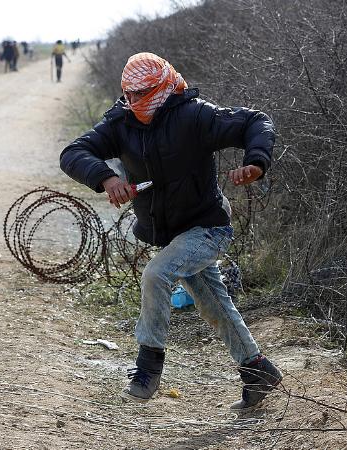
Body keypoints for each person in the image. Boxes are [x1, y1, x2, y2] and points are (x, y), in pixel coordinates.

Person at [60, 52, 281, 410]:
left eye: (141, 94)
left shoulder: (195, 116)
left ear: (162, 87)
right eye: (127, 94)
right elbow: (74, 152)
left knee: (157, 273)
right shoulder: (122, 122)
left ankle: (148, 366)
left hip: (208, 227)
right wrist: (106, 177)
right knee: (215, 306)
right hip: (170, 236)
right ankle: (257, 371)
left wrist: (256, 162)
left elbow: (255, 122)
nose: (133, 102)